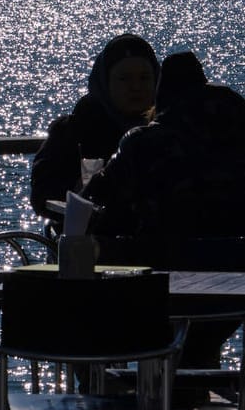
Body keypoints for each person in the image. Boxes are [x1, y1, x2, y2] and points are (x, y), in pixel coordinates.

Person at [85, 51, 245, 371]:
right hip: (235, 280)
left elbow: (98, 197)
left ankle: (104, 384)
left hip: (164, 276)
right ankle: (198, 390)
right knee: (205, 332)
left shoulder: (146, 141)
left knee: (92, 263)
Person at [28, 33, 158, 221]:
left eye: (144, 78)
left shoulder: (169, 128)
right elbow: (42, 194)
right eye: (124, 79)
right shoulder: (74, 129)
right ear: (105, 82)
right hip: (90, 241)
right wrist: (77, 193)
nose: (136, 87)